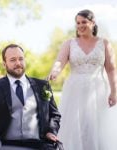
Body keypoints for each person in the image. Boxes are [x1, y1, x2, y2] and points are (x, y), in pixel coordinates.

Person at [0, 44, 61, 150]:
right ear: (4, 64)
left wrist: (51, 131)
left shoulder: (42, 86)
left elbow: (54, 114)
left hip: (37, 144)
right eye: (12, 60)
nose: (18, 63)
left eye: (21, 59)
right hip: (5, 145)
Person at [48, 9, 117, 150]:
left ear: (92, 23)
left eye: (84, 22)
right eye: (77, 23)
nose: (80, 25)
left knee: (96, 125)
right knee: (74, 124)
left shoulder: (104, 43)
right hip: (75, 90)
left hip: (99, 90)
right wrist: (54, 72)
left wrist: (114, 92)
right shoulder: (69, 43)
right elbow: (60, 61)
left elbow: (111, 69)